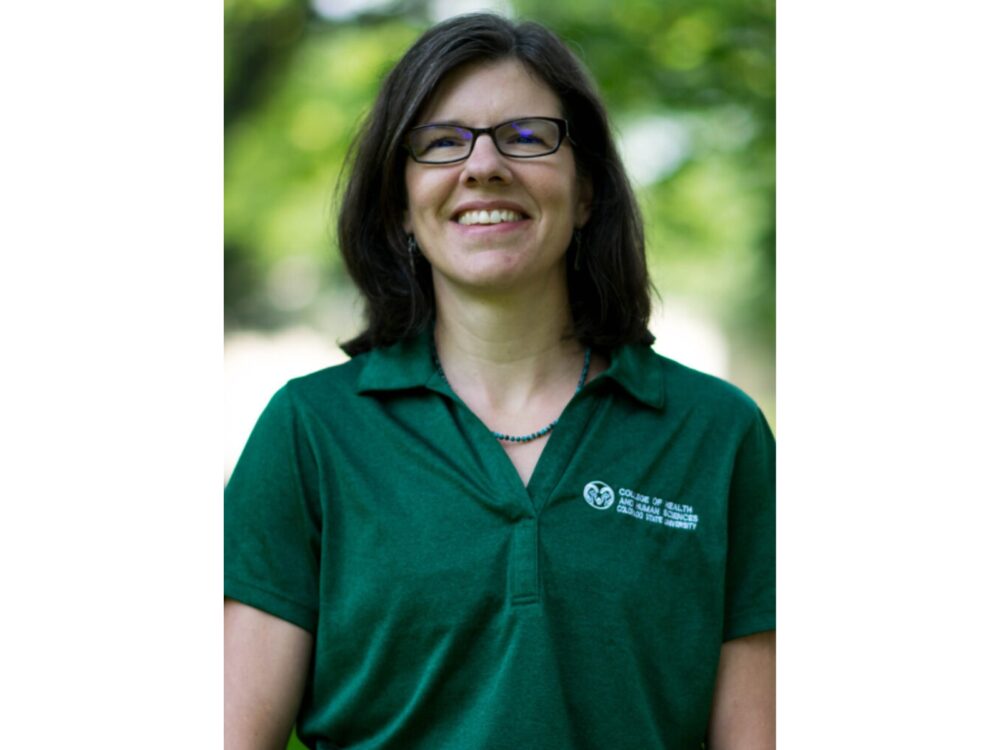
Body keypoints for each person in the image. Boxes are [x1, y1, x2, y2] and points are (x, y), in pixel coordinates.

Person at [225, 12, 775, 750]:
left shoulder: (718, 435)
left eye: (525, 136)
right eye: (442, 142)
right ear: (399, 208)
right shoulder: (308, 432)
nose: (482, 166)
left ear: (586, 195)